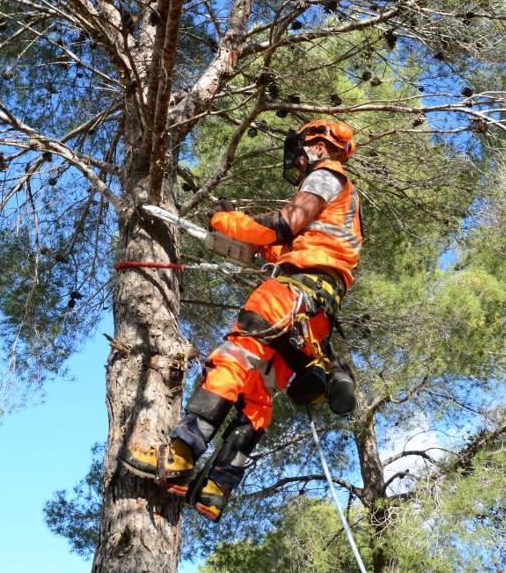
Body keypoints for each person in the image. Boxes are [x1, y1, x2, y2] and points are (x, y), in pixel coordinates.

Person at [121, 119, 363, 521]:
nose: (300, 164)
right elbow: (303, 239)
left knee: (233, 357)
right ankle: (215, 488)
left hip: (292, 292)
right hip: (316, 313)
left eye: (303, 153)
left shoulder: (326, 174)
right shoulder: (344, 208)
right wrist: (262, 249)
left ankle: (179, 455)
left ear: (318, 147)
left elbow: (287, 222)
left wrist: (229, 222)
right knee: (257, 393)